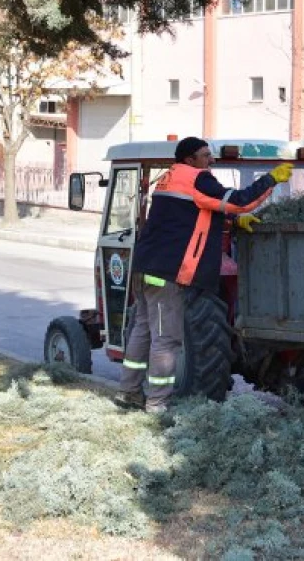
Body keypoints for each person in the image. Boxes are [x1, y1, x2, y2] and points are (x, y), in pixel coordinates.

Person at [117, 137, 292, 413]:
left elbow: (188, 214)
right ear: (190, 159)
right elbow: (239, 200)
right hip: (166, 274)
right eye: (204, 155)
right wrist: (271, 179)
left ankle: (128, 392)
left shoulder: (169, 178)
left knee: (143, 330)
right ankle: (157, 404)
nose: (210, 160)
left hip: (144, 267)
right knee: (166, 339)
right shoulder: (198, 179)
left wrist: (232, 220)